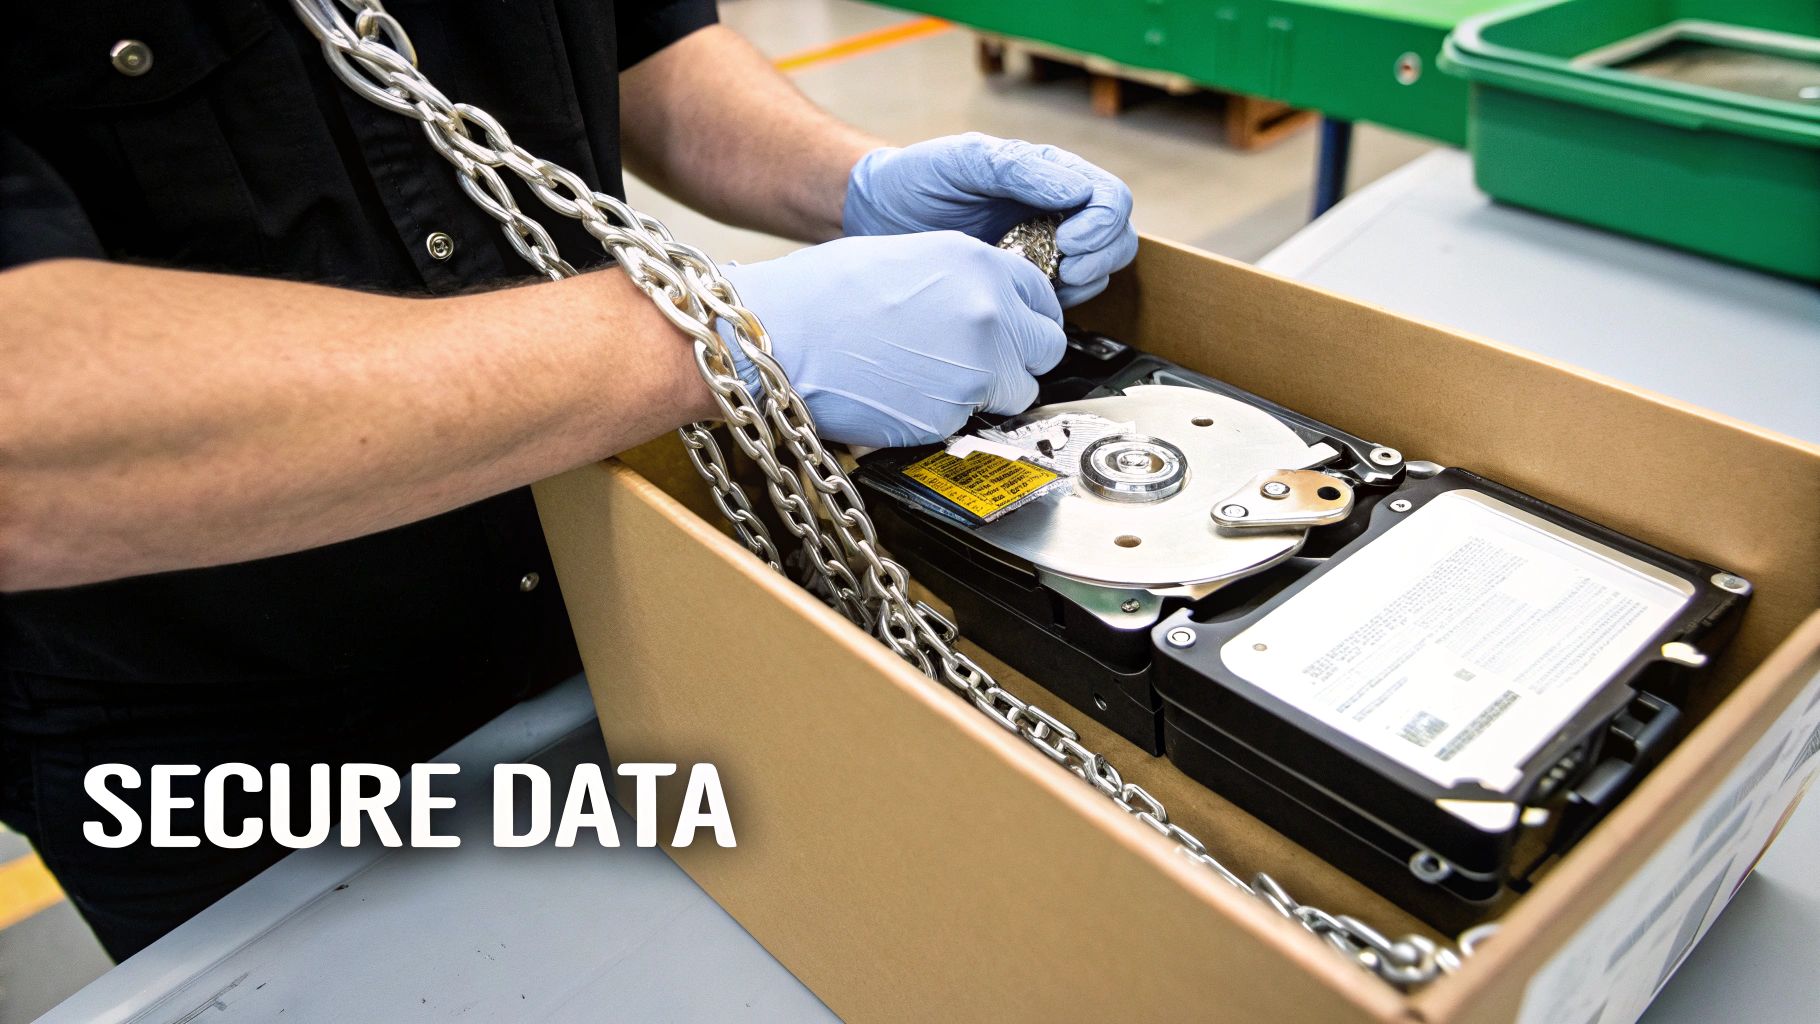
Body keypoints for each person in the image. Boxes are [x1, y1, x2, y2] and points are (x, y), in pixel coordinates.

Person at [0, 0, 1137, 959]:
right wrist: (710, 338)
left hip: (595, 578)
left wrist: (850, 180)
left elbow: (647, 45)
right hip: (227, 735)